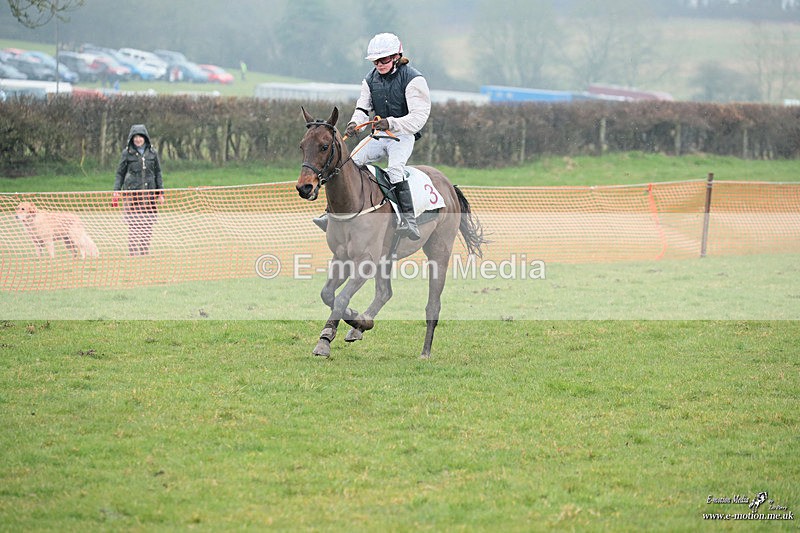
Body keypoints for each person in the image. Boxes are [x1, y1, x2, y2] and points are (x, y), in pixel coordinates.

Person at [313, 32, 431, 240]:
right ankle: (330, 213)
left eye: (383, 60)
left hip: (402, 136)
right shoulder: (369, 79)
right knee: (346, 165)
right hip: (378, 135)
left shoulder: (414, 79)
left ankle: (408, 221)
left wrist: (391, 123)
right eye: (375, 61)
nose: (379, 64)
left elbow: (419, 118)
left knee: (395, 171)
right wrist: (354, 124)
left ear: (396, 56)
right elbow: (362, 109)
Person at [113, 124, 164, 256]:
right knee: (134, 224)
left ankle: (144, 250)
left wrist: (160, 192)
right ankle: (133, 252)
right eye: (135, 137)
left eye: (140, 137)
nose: (138, 139)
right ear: (131, 138)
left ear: (145, 138)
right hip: (132, 195)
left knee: (147, 224)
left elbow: (158, 173)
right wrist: (116, 190)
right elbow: (120, 173)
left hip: (149, 195)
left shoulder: (153, 153)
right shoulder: (126, 153)